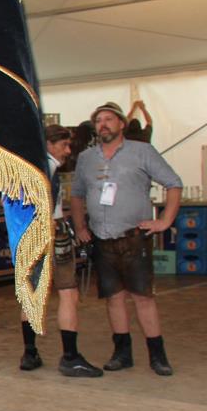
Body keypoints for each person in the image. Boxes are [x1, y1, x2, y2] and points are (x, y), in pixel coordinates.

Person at [71, 101, 182, 376]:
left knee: (143, 297)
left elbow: (173, 183)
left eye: (109, 119)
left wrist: (165, 220)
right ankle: (122, 353)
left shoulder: (142, 151)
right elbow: (77, 195)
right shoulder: (86, 158)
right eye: (98, 120)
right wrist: (80, 226)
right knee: (114, 297)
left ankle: (158, 355)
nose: (103, 124)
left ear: (121, 124)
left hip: (134, 237)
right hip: (102, 238)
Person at [19, 125, 102, 377]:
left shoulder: (24, 165)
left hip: (28, 238)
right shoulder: (48, 167)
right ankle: (70, 356)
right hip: (51, 235)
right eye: (64, 145)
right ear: (49, 144)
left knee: (31, 294)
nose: (67, 151)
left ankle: (30, 353)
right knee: (68, 293)